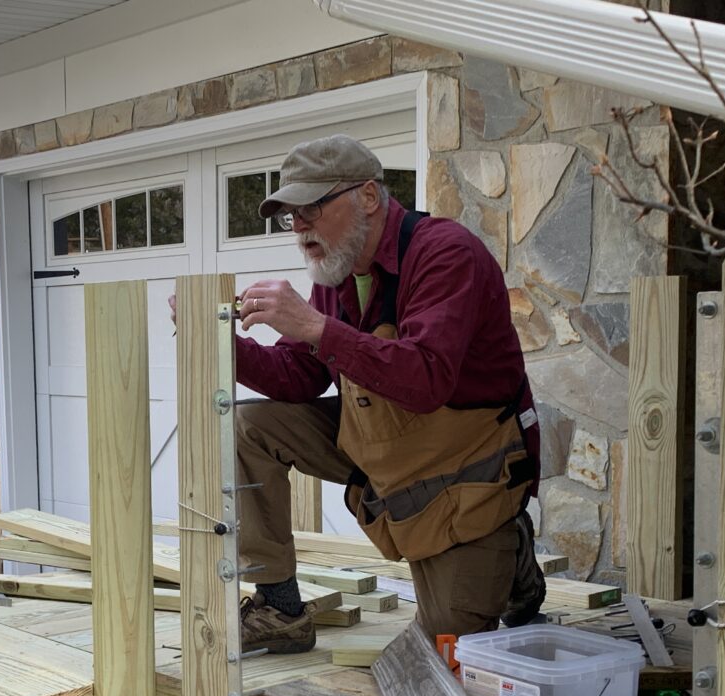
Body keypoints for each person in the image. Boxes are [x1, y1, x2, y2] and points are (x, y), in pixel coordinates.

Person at [219, 134, 545, 654]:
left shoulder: (446, 254)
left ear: (368, 197)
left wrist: (316, 325)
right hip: (380, 441)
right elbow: (302, 377)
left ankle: (511, 555)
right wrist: (222, 346)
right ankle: (279, 608)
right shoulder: (338, 268)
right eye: (290, 217)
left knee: (447, 652)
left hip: (461, 464)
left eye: (311, 210)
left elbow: (424, 379)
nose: (299, 229)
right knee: (248, 426)